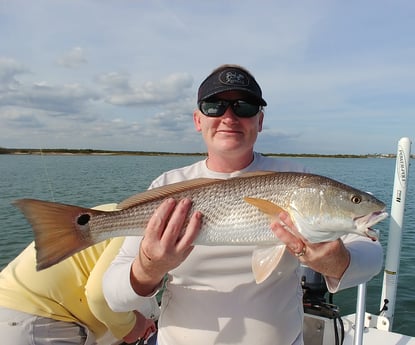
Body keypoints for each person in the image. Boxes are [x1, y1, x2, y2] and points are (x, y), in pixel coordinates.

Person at [103, 64, 383, 344]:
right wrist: (149, 267)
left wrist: (338, 261)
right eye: (214, 105)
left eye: (244, 106)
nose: (229, 117)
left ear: (259, 121)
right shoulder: (166, 185)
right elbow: (113, 295)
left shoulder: (301, 179)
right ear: (198, 119)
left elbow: (372, 257)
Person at [0, 203, 158, 345]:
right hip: (39, 325)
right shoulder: (148, 226)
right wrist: (133, 327)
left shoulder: (113, 210)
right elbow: (99, 296)